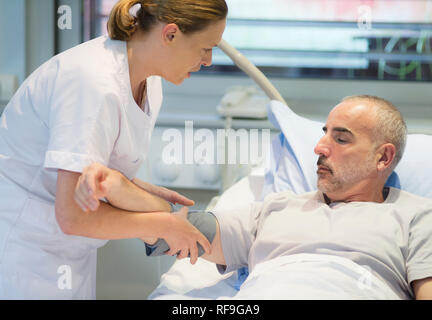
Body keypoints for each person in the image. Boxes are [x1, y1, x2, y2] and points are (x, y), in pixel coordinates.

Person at [80, 95, 432, 299]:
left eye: (341, 139)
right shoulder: (277, 208)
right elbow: (179, 227)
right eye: (324, 134)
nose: (319, 147)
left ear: (383, 157)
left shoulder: (417, 217)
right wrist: (118, 188)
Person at [0, 0, 227, 299]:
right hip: (24, 249)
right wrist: (163, 224)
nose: (209, 60)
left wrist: (148, 194)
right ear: (170, 34)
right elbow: (71, 215)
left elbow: (95, 172)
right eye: (205, 47)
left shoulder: (147, 83)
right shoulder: (92, 82)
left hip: (68, 251)